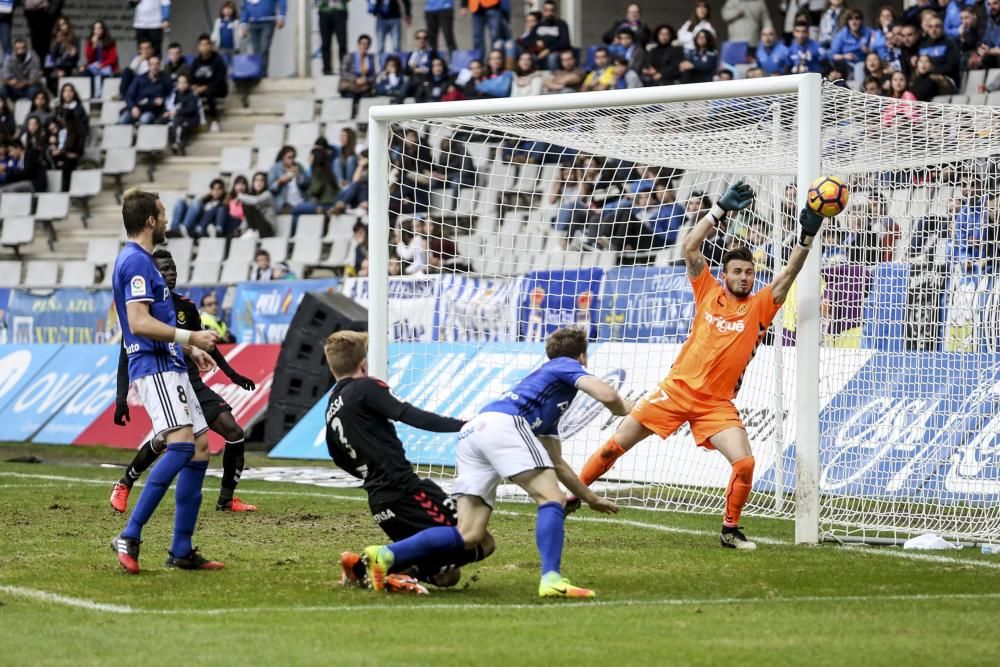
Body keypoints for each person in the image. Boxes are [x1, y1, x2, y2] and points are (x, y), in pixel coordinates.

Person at [573, 181, 826, 550]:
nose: (743, 277)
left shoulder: (760, 306)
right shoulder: (706, 289)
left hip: (715, 404)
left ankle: (730, 529)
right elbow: (690, 246)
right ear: (725, 274)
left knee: (744, 464)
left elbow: (789, 273)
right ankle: (570, 497)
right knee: (613, 448)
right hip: (674, 391)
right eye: (737, 271)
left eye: (749, 272)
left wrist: (807, 235)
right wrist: (718, 209)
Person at [361, 326, 629, 597]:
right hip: (502, 426)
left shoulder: (545, 400)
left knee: (469, 534)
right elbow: (608, 396)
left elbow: (557, 463)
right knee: (551, 499)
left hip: (474, 431)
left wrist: (591, 498)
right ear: (582, 356)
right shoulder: (564, 365)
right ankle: (551, 579)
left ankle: (383, 555)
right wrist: (625, 409)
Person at [324, 331, 493, 593]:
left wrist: (369, 472)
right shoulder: (366, 387)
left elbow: (337, 456)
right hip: (406, 491)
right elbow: (408, 414)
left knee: (447, 576)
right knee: (481, 540)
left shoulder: (332, 404)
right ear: (362, 363)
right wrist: (464, 425)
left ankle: (363, 567)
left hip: (379, 500)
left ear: (331, 365)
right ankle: (381, 561)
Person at [109, 188, 222, 574]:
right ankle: (131, 534)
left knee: (202, 448)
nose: (168, 219)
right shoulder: (136, 263)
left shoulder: (141, 261)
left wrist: (189, 351)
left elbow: (154, 319)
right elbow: (139, 323)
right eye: (163, 212)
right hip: (154, 365)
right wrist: (190, 337)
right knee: (179, 447)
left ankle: (181, 548)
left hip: (171, 361)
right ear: (150, 221)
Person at [111, 248, 256, 515]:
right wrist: (121, 398)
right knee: (167, 441)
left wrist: (232, 374)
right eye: (164, 269)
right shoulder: (142, 308)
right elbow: (125, 354)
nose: (171, 273)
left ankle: (225, 500)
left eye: (173, 269)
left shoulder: (186, 307)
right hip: (164, 377)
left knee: (233, 433)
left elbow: (205, 343)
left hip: (191, 380)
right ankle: (125, 483)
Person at [190, 34, 228, 132]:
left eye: (207, 44)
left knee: (209, 92)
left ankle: (215, 120)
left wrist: (205, 87)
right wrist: (193, 86)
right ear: (198, 47)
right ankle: (192, 121)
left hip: (218, 88)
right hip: (200, 88)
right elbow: (191, 77)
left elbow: (220, 79)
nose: (204, 47)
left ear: (211, 46)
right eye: (202, 45)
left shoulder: (218, 60)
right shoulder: (196, 61)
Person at [120, 54, 171, 125]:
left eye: (157, 64)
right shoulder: (139, 79)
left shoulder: (165, 79)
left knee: (145, 119)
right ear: (149, 66)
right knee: (123, 119)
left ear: (160, 66)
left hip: (152, 110)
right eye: (152, 64)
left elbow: (170, 95)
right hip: (137, 108)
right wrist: (133, 107)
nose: (155, 67)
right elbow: (129, 96)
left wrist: (163, 99)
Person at [241, 0, 286, 76]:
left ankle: (262, 73)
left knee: (264, 48)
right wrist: (244, 24)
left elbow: (282, 1)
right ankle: (258, 73)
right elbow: (245, 7)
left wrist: (281, 16)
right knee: (256, 50)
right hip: (252, 23)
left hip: (268, 21)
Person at [339, 34, 376, 115]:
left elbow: (373, 75)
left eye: (367, 44)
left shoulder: (370, 58)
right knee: (351, 97)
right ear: (358, 44)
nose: (364, 46)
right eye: (363, 43)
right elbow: (343, 72)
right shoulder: (349, 56)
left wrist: (366, 80)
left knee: (367, 98)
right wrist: (355, 79)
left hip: (364, 87)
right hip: (350, 86)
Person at [918, 14, 960, 84]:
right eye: (930, 27)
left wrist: (932, 70)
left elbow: (952, 66)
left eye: (937, 26)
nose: (934, 30)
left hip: (945, 79)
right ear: (927, 29)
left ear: (942, 28)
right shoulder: (923, 46)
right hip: (925, 79)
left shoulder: (950, 44)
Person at [81, 20, 119, 97]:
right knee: (86, 72)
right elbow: (89, 58)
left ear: (103, 30)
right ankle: (91, 95)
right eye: (95, 28)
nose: (97, 30)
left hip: (106, 66)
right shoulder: (89, 42)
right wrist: (93, 46)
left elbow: (113, 58)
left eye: (99, 28)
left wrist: (103, 64)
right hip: (94, 66)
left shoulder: (110, 42)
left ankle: (101, 96)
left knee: (104, 74)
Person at [829, 9, 873, 75]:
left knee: (860, 66)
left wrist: (868, 51)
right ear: (847, 21)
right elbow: (832, 56)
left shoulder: (868, 32)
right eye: (850, 18)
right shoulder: (841, 35)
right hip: (846, 65)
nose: (854, 21)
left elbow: (877, 46)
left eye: (857, 18)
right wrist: (844, 56)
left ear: (861, 20)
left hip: (865, 63)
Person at [164, 72, 199, 155]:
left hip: (190, 118)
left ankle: (178, 143)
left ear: (188, 84)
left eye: (184, 82)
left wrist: (177, 112)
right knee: (162, 121)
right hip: (177, 118)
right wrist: (168, 113)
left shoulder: (191, 95)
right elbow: (170, 106)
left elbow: (191, 109)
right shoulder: (175, 95)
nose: (182, 85)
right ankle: (174, 144)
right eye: (180, 82)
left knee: (178, 123)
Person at [532, 0, 572, 70]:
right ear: (543, 11)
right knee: (528, 57)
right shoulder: (538, 25)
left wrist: (548, 50)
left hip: (555, 52)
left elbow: (565, 42)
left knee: (552, 57)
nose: (549, 13)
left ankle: (553, 78)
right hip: (538, 52)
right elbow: (531, 38)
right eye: (547, 10)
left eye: (552, 10)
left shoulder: (561, 24)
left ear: (555, 11)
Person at [268, 145, 309, 212]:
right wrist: (280, 181)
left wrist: (299, 175)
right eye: (289, 157)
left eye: (293, 157)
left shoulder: (298, 166)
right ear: (282, 157)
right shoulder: (275, 168)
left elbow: (306, 184)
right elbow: (271, 189)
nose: (292, 160)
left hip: (300, 201)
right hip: (284, 204)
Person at [317, 0, 348, 75]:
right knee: (325, 43)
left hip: (340, 12)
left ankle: (344, 68)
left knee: (342, 42)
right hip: (324, 11)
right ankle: (327, 69)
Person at [242, 171, 277, 236]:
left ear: (265, 183)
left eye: (262, 180)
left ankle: (252, 231)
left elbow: (256, 200)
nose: (259, 183)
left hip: (268, 229)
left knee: (247, 203)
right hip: (257, 228)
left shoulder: (268, 194)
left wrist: (240, 196)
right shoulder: (251, 197)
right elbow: (247, 217)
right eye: (256, 180)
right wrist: (241, 229)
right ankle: (251, 231)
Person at [119, 38, 154, 103]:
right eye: (143, 49)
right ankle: (123, 95)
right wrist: (140, 60)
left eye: (147, 48)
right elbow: (130, 71)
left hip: (149, 83)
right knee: (127, 71)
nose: (145, 51)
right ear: (140, 50)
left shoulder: (156, 59)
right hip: (137, 83)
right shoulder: (137, 59)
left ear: (152, 49)